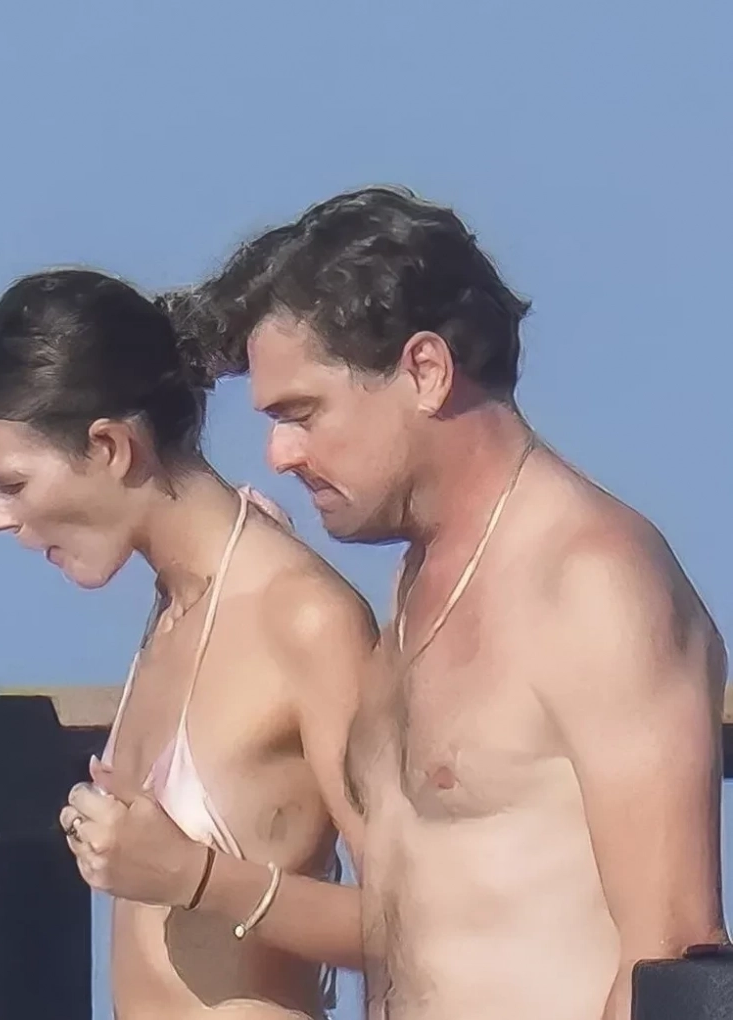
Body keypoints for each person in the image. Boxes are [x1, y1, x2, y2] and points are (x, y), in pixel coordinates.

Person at [180, 185, 729, 1020]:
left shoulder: (592, 581)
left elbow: (672, 952)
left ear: (426, 371)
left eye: (303, 413)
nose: (279, 453)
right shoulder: (416, 583)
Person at [0, 269, 378, 1020]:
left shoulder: (302, 617)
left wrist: (195, 877)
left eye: (10, 484)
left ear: (111, 447)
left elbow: (415, 924)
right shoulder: (175, 606)